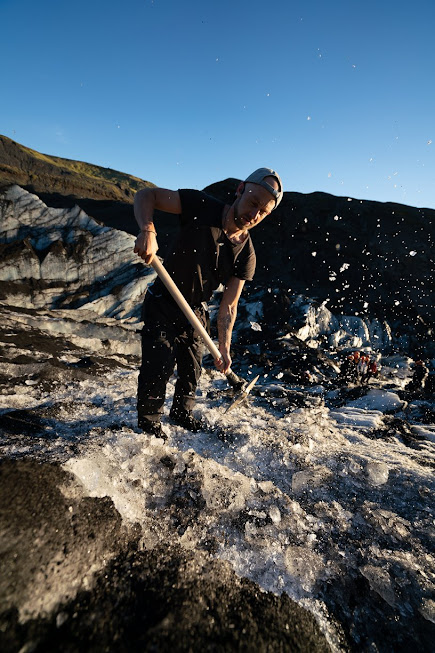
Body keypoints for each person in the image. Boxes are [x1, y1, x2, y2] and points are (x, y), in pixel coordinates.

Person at [133, 168, 283, 438]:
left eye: (263, 211)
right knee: (159, 366)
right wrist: (148, 230)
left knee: (192, 371)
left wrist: (224, 348)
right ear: (240, 190)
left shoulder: (246, 254)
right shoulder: (200, 205)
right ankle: (149, 426)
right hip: (164, 300)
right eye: (253, 202)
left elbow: (229, 306)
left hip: (195, 311)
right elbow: (147, 195)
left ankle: (182, 415)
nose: (254, 214)